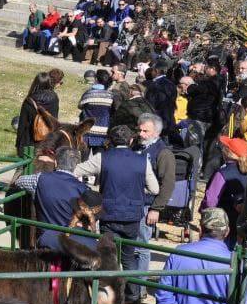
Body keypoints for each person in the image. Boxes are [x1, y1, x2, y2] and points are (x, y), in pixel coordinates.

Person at [73, 125, 159, 275]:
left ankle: (108, 292)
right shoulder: (142, 160)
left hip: (109, 214)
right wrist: (137, 189)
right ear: (131, 140)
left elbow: (75, 170)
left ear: (110, 141)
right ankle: (133, 294)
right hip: (132, 215)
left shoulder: (102, 158)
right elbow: (154, 189)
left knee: (109, 257)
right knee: (128, 257)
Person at [153, 208, 233, 304]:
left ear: (201, 229)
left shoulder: (179, 253)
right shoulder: (233, 263)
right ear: (227, 232)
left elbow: (163, 296)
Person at [13, 147, 90, 252]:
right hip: (71, 245)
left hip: (46, 242)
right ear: (76, 166)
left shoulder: (39, 179)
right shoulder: (85, 190)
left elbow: (18, 181)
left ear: (56, 162)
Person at [136, 113, 176, 280]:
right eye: (139, 130)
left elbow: (168, 184)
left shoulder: (163, 153)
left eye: (146, 131)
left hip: (147, 206)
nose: (141, 134)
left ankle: (140, 285)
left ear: (156, 133)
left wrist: (156, 208)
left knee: (141, 246)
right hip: (132, 202)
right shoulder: (136, 146)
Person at [202, 137, 247, 243]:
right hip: (244, 226)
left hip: (222, 226)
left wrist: (205, 219)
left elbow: (210, 201)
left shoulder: (223, 173)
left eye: (226, 147)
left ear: (229, 152)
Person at [15, 72, 59, 155]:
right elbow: (55, 119)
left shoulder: (29, 100)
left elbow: (22, 124)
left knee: (27, 166)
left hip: (29, 141)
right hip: (46, 141)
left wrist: (18, 144)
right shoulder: (54, 98)